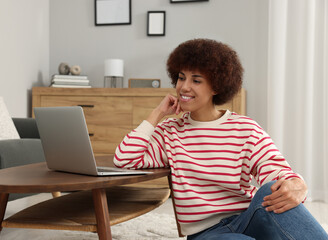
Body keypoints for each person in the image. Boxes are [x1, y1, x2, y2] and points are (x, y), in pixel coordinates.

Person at [114, 39, 328, 240]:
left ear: (216, 86)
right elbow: (125, 159)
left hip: (248, 218)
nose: (184, 87)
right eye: (181, 77)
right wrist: (157, 113)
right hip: (206, 233)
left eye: (196, 80)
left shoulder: (245, 128)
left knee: (271, 189)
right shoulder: (169, 132)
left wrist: (297, 184)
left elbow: (276, 171)